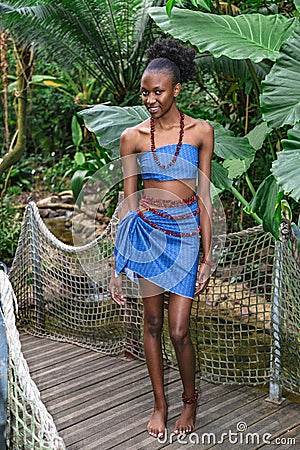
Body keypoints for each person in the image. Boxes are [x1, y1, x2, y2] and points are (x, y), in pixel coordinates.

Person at [109, 38, 214, 439]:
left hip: (187, 235)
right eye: (145, 92)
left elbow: (203, 196)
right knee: (151, 322)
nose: (150, 99)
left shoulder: (201, 131)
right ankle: (160, 403)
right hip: (148, 235)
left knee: (178, 330)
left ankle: (190, 399)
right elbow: (130, 202)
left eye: (158, 91)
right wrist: (118, 265)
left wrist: (208, 257)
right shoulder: (132, 137)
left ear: (176, 90)